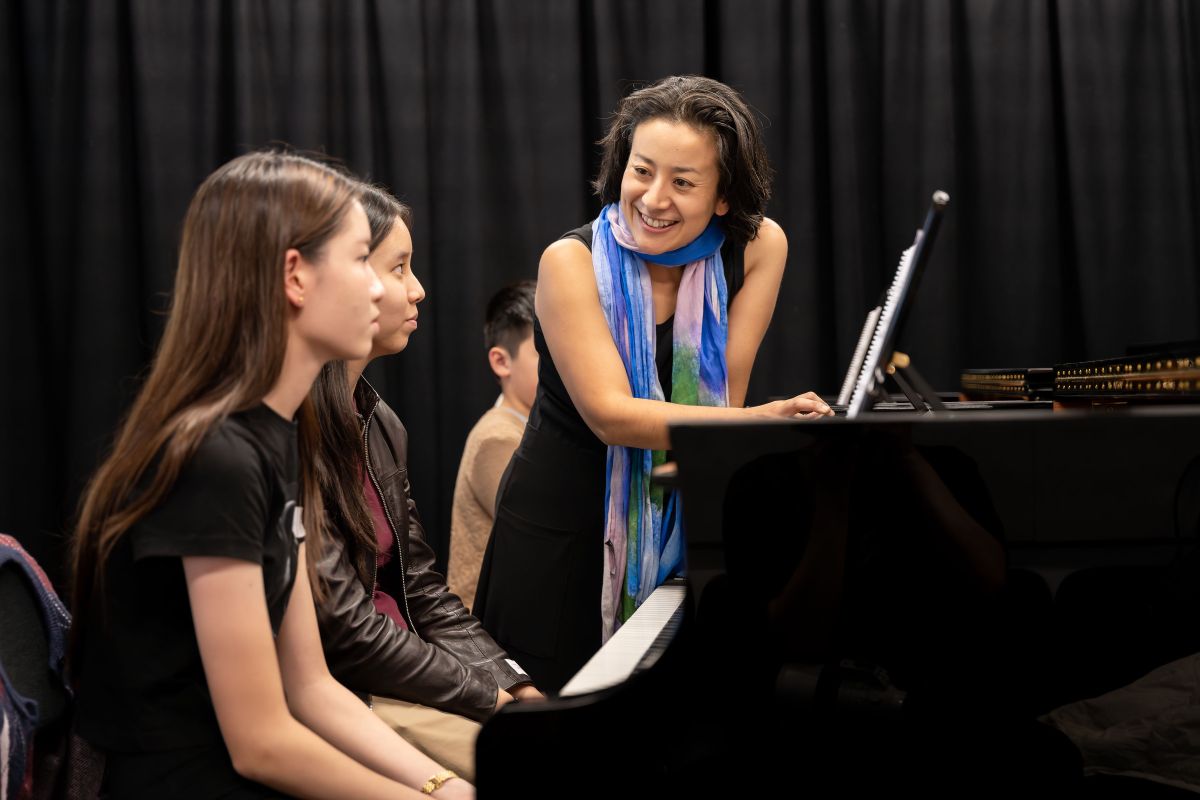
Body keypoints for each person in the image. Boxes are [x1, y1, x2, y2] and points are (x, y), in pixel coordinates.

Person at [70, 151, 473, 799]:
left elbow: (311, 688)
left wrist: (439, 786)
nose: (384, 288)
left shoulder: (274, 438)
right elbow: (261, 743)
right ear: (295, 276)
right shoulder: (215, 458)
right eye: (361, 260)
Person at [473, 75, 833, 692]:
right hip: (561, 535)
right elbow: (613, 415)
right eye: (641, 171)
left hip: (675, 522)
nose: (653, 198)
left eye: (684, 182)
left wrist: (747, 425)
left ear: (724, 196)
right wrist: (760, 424)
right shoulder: (570, 261)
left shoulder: (758, 247)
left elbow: (724, 397)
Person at [310, 185, 542, 781]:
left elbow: (422, 590)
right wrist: (485, 696)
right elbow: (346, 630)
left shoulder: (381, 423)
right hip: (355, 691)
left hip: (407, 669)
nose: (417, 290)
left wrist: (513, 682)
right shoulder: (291, 430)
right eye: (398, 267)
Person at [448, 280, 538, 611]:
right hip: (489, 640)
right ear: (502, 362)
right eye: (544, 351)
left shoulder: (526, 429)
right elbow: (539, 538)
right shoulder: (497, 438)